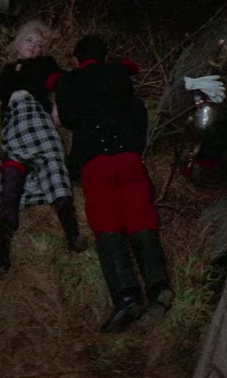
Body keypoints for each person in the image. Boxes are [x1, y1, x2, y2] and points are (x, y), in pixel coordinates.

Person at [52, 35, 174, 332]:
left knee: (107, 225)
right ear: (105, 57)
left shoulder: (68, 81)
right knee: (140, 219)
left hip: (95, 161)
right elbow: (138, 111)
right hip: (129, 158)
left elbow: (65, 119)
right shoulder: (119, 73)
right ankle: (158, 288)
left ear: (77, 60)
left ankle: (127, 298)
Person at [0, 19, 88, 275]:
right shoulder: (4, 74)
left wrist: (57, 107)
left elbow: (65, 81)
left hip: (39, 121)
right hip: (13, 126)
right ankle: (1, 254)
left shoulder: (45, 65)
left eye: (39, 44)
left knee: (55, 170)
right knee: (10, 183)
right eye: (29, 40)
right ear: (18, 44)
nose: (34, 46)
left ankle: (73, 236)